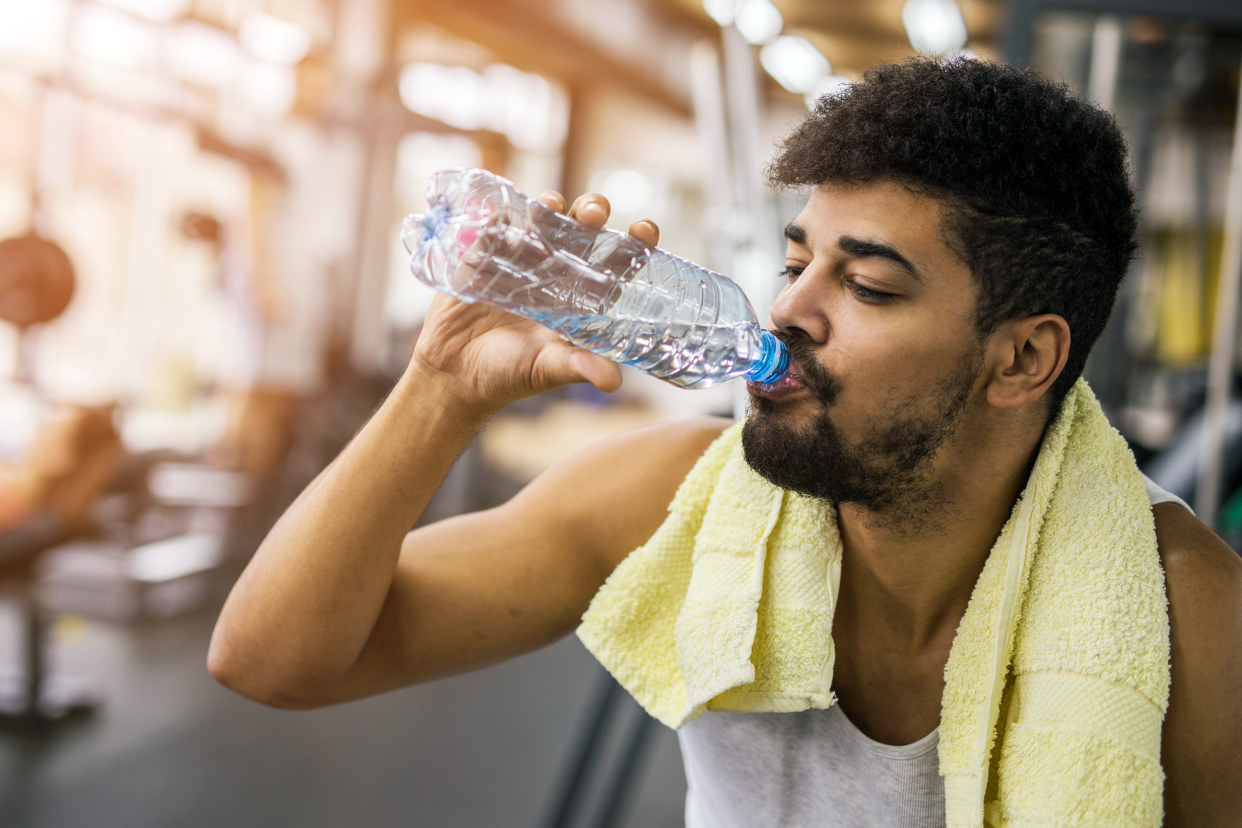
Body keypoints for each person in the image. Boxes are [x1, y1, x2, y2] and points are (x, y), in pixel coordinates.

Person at [208, 59, 1242, 826]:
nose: (790, 307)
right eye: (797, 261)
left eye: (869, 285)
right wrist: (437, 390)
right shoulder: (675, 496)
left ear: (1021, 360)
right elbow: (274, 660)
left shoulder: (1184, 608)